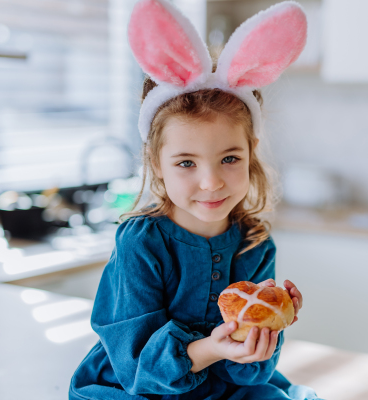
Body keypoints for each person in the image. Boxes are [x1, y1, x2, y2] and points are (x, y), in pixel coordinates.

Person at [69, 0, 320, 399]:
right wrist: (208, 349)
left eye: (230, 158)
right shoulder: (142, 244)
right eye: (186, 162)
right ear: (156, 161)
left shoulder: (255, 243)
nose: (211, 182)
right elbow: (136, 368)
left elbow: (249, 373)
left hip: (221, 389)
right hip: (141, 389)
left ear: (251, 152)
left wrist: (263, 336)